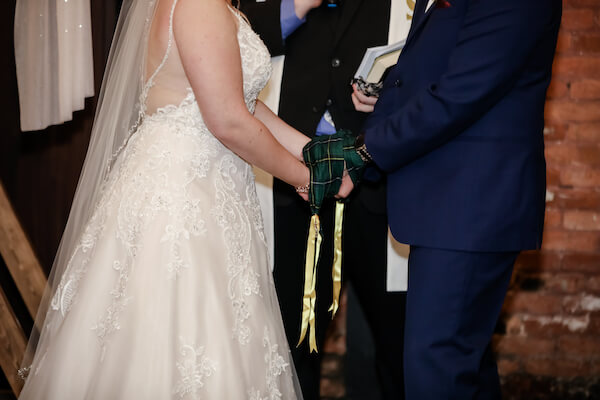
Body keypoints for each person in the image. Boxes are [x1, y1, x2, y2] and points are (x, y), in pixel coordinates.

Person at [18, 0, 352, 397]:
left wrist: (315, 154)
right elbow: (228, 120)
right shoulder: (198, 4)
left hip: (210, 188)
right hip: (182, 199)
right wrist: (307, 179)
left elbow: (243, 102)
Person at [308, 0, 562, 398]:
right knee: (460, 368)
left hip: (471, 201)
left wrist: (363, 152)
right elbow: (419, 75)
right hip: (451, 200)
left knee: (436, 371)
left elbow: (462, 92)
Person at [239, 1, 407, 398]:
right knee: (295, 341)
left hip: (375, 182)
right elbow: (233, 46)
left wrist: (394, 95)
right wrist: (295, 7)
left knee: (397, 340)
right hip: (291, 188)